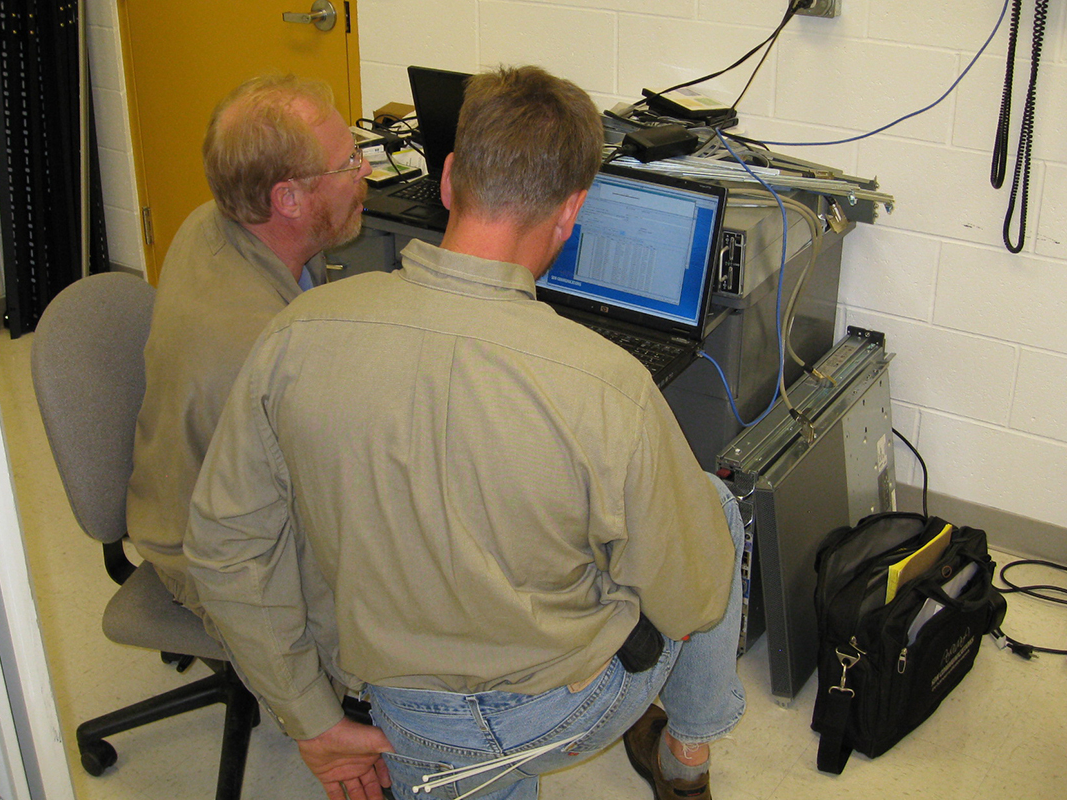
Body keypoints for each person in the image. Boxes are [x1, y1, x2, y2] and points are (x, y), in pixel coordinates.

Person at [186, 65, 746, 800]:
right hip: (566, 707)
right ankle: (686, 755)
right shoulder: (609, 388)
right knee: (709, 508)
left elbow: (227, 550)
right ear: (571, 212)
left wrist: (311, 720)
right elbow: (694, 601)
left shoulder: (293, 335)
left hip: (400, 714)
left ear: (448, 181)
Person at [126, 73, 370, 621]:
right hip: (222, 566)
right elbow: (302, 529)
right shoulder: (258, 353)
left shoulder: (211, 221)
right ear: (288, 198)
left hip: (192, 493)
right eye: (349, 163)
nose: (367, 171)